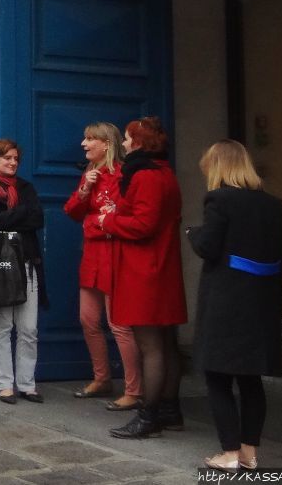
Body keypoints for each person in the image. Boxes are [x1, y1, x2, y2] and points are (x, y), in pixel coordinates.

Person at [188, 141, 282, 471]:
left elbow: (208, 246)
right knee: (250, 379)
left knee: (217, 376)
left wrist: (193, 233)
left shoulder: (219, 199)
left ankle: (229, 453)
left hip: (226, 303)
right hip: (262, 301)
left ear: (217, 167)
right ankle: (249, 452)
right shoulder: (276, 205)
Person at [94, 116, 187, 439]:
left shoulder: (146, 176)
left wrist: (109, 221)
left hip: (145, 270)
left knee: (151, 346)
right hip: (161, 268)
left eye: (129, 138)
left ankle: (149, 415)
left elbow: (143, 225)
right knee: (166, 343)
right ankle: (170, 410)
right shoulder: (164, 173)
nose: (124, 143)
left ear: (141, 142)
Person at [63, 122, 142, 411]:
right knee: (88, 319)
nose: (84, 144)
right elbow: (72, 212)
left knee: (119, 325)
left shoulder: (123, 175)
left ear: (107, 144)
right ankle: (102, 378)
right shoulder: (89, 174)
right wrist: (85, 189)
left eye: (90, 139)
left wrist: (97, 223)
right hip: (93, 257)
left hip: (115, 256)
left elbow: (120, 217)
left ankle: (134, 389)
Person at [0, 139, 47, 404]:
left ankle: (27, 384)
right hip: (0, 266)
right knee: (3, 326)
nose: (13, 163)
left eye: (16, 158)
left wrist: (7, 215)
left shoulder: (26, 188)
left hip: (27, 262)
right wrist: (20, 213)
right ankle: (4, 384)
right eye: (7, 158)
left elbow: (37, 219)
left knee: (29, 328)